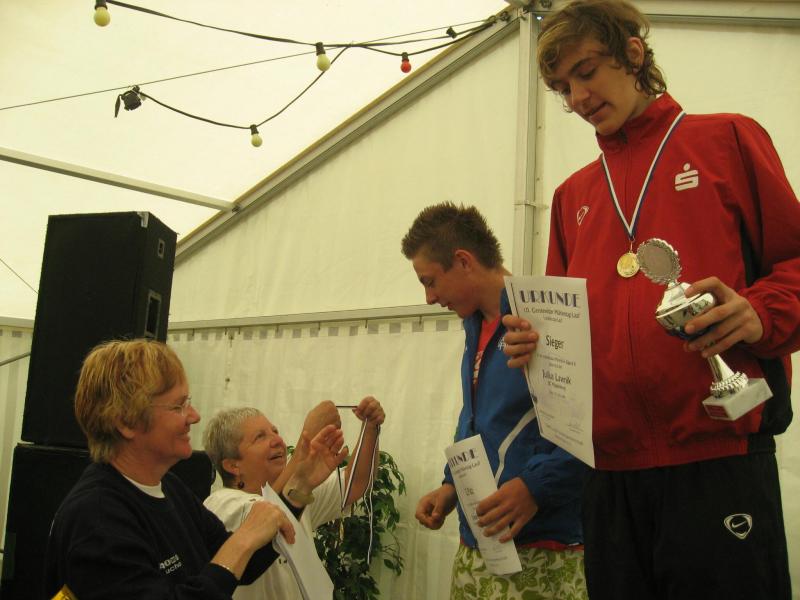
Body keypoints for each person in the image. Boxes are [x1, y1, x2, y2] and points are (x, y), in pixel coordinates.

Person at [501, 2, 800, 599]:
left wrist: (760, 312)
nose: (578, 97)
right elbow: (563, 325)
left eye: (587, 72)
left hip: (717, 455)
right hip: (610, 475)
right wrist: (536, 345)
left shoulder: (727, 140)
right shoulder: (571, 196)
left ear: (633, 54)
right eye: (562, 88)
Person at [44, 339, 337, 600]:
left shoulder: (170, 488)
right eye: (178, 406)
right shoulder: (96, 519)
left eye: (189, 403)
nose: (194, 416)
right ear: (126, 422)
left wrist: (300, 486)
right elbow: (231, 557)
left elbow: (244, 566)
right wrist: (244, 538)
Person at [402, 203, 588, 600]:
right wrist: (452, 485)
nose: (429, 297)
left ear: (463, 261)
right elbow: (479, 419)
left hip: (543, 549)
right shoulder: (475, 326)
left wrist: (536, 487)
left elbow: (591, 424)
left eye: (430, 281)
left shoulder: (545, 316)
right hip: (481, 543)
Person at [203, 396, 385, 600]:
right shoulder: (222, 504)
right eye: (260, 437)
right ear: (232, 465)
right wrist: (305, 442)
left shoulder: (295, 494)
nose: (277, 441)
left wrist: (370, 429)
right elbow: (267, 516)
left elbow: (356, 484)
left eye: (275, 431)